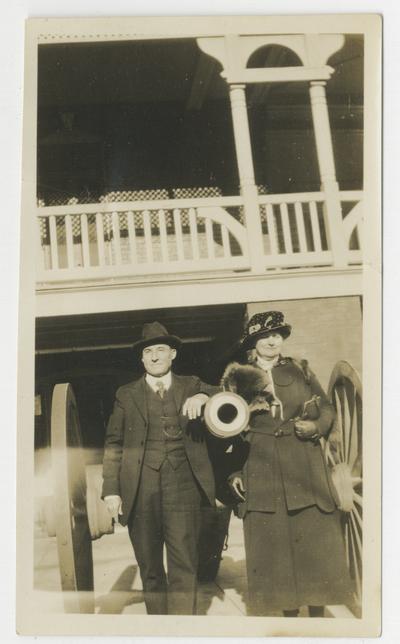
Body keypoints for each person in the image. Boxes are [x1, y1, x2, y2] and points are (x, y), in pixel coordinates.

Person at [228, 311, 354, 617]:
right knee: (276, 549)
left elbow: (325, 408)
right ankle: (290, 618)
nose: (272, 341)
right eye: (265, 336)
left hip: (304, 466)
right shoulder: (236, 378)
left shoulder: (301, 370)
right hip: (261, 466)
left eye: (278, 335)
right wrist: (233, 471)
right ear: (253, 342)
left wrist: (316, 428)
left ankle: (318, 614)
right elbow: (228, 428)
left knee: (314, 542)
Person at [102, 321, 218, 615]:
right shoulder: (125, 394)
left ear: (173, 354)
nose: (154, 357)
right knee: (150, 568)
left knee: (184, 566)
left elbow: (224, 394)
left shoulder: (192, 384)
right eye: (148, 352)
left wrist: (204, 397)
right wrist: (112, 491)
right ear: (141, 358)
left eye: (161, 350)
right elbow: (114, 443)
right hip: (141, 491)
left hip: (184, 490)